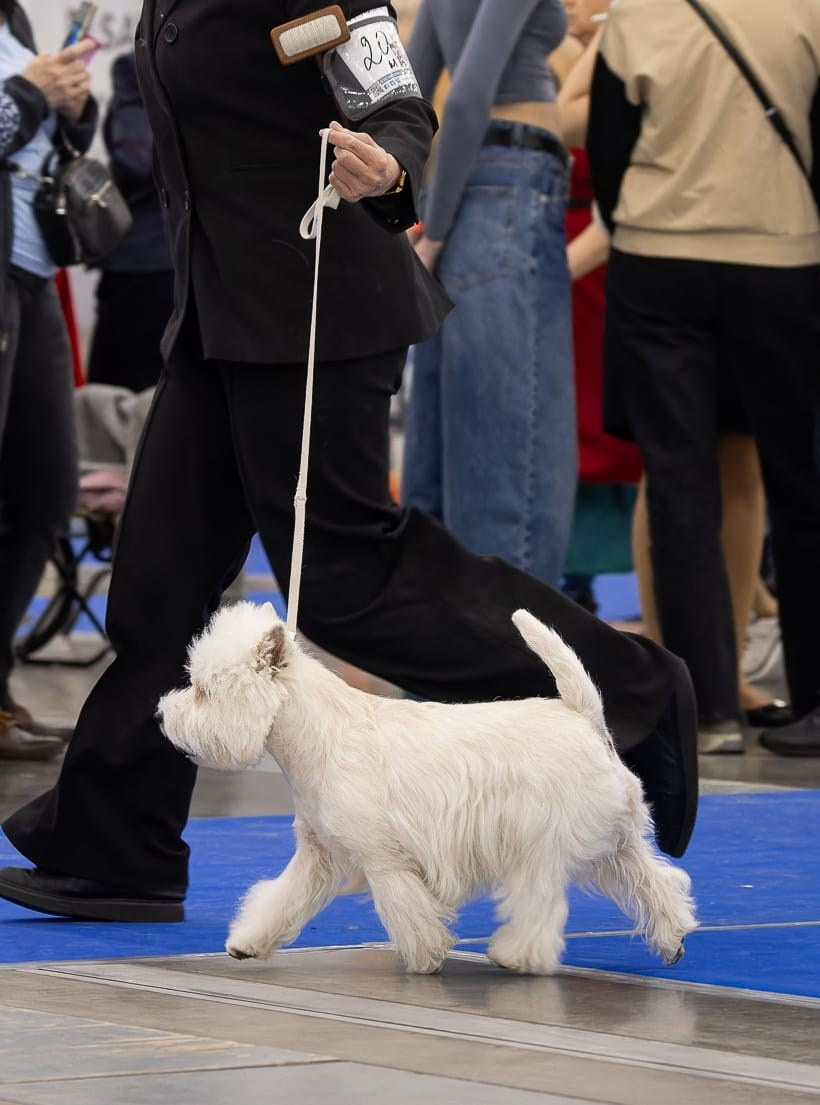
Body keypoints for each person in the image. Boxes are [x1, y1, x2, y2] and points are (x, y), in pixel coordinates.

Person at [0, 0, 698, 925]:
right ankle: (115, 847)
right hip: (214, 321)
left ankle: (636, 692)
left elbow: (397, 102)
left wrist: (390, 168)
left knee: (348, 580)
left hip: (317, 313)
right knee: (158, 584)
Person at [588, 0, 820, 758]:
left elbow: (610, 152)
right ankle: (813, 699)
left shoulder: (639, 14)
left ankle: (708, 711)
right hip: (784, 256)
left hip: (660, 257)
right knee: (799, 481)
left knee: (678, 483)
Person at [401, 0, 577, 586]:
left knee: (442, 457)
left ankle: (439, 643)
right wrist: (433, 230)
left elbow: (409, 92)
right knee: (515, 456)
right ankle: (511, 643)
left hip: (458, 190)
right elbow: (466, 94)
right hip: (511, 186)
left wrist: (422, 215)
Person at [0, 1, 97, 762]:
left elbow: (48, 146)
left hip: (33, 275)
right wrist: (32, 92)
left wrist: (71, 106)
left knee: (46, 490)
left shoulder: (17, 19)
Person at [86, 51, 174, 394]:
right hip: (193, 259)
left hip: (143, 263)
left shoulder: (141, 64)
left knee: (111, 402)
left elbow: (134, 156)